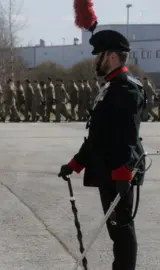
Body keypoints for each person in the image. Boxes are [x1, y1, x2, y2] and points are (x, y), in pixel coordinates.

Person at [58, 30, 146, 270]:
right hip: (109, 169)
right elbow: (99, 135)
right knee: (116, 230)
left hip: (119, 171)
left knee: (122, 230)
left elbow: (127, 137)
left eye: (99, 55)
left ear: (112, 57)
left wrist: (123, 173)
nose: (95, 60)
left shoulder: (126, 89)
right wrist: (76, 163)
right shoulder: (111, 87)